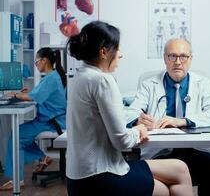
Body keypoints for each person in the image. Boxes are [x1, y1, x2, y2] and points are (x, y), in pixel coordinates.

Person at [65, 21, 193, 196]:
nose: (120, 55)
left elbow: (102, 118)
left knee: (180, 168)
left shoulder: (79, 77)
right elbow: (122, 141)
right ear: (104, 52)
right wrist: (139, 129)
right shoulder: (103, 80)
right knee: (165, 188)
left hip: (78, 178)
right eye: (117, 49)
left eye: (183, 57)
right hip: (101, 176)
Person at [126, 38, 210, 196]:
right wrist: (138, 120)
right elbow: (130, 113)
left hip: (196, 149)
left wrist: (183, 121)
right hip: (160, 151)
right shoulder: (149, 85)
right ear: (165, 58)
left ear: (190, 59)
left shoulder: (203, 83)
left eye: (183, 56)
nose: (178, 62)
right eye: (172, 56)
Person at [0, 47, 67, 191]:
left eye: (36, 62)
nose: (35, 66)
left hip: (51, 122)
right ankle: (43, 158)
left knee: (17, 136)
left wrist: (14, 95)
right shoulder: (53, 76)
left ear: (44, 61)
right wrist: (28, 92)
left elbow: (33, 97)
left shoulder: (51, 78)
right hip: (51, 120)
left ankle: (17, 180)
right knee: (19, 134)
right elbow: (39, 94)